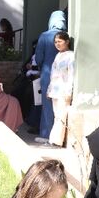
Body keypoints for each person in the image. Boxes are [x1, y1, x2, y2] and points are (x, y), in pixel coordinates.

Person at [35, 11, 67, 140]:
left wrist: (40, 67)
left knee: (47, 105)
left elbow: (39, 58)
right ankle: (59, 136)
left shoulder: (44, 36)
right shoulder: (65, 36)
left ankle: (46, 134)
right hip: (64, 77)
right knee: (60, 106)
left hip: (48, 75)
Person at [47, 32, 75, 146]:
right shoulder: (58, 55)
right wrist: (49, 89)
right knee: (56, 115)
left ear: (67, 42)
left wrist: (69, 91)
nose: (57, 44)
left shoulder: (71, 56)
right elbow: (53, 74)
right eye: (55, 42)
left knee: (61, 115)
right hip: (55, 90)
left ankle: (57, 141)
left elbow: (71, 74)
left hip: (64, 91)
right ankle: (54, 139)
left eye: (60, 41)